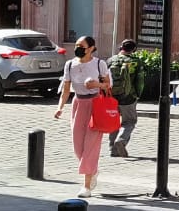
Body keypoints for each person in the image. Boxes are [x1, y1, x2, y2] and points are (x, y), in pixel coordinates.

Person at [53, 35, 111, 198]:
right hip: (78, 104)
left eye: (82, 46)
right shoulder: (70, 64)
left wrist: (96, 85)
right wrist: (60, 107)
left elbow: (108, 86)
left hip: (96, 105)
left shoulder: (99, 64)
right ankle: (93, 170)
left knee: (90, 146)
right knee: (78, 146)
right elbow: (66, 89)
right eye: (76, 45)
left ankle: (86, 186)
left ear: (91, 48)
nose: (78, 48)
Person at [106, 39, 145, 158]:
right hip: (128, 96)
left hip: (112, 96)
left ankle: (113, 149)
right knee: (129, 121)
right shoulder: (136, 62)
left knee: (113, 122)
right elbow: (140, 81)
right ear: (133, 50)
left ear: (120, 48)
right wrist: (138, 94)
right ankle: (121, 140)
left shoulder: (111, 60)